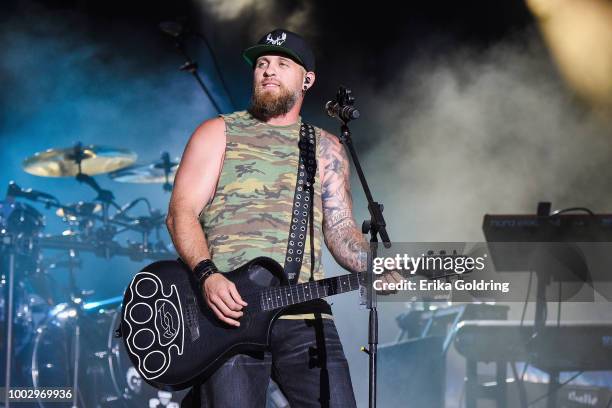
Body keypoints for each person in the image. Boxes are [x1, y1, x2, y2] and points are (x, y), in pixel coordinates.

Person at [166, 28, 401, 408]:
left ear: (307, 79)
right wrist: (208, 275)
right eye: (262, 63)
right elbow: (180, 213)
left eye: (281, 63)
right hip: (230, 315)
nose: (268, 71)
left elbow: (341, 230)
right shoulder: (218, 133)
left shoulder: (326, 146)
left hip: (304, 313)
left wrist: (375, 265)